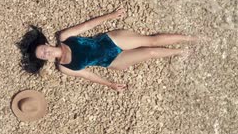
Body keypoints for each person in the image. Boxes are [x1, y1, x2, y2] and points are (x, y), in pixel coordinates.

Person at [15, 8, 198, 92]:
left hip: (111, 41)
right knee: (149, 53)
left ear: (46, 44)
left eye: (43, 49)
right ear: (45, 60)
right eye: (42, 56)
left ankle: (192, 39)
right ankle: (181, 53)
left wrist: (111, 16)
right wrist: (110, 84)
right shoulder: (63, 67)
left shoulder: (63, 37)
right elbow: (89, 75)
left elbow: (87, 26)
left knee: (150, 41)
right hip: (111, 62)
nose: (46, 53)